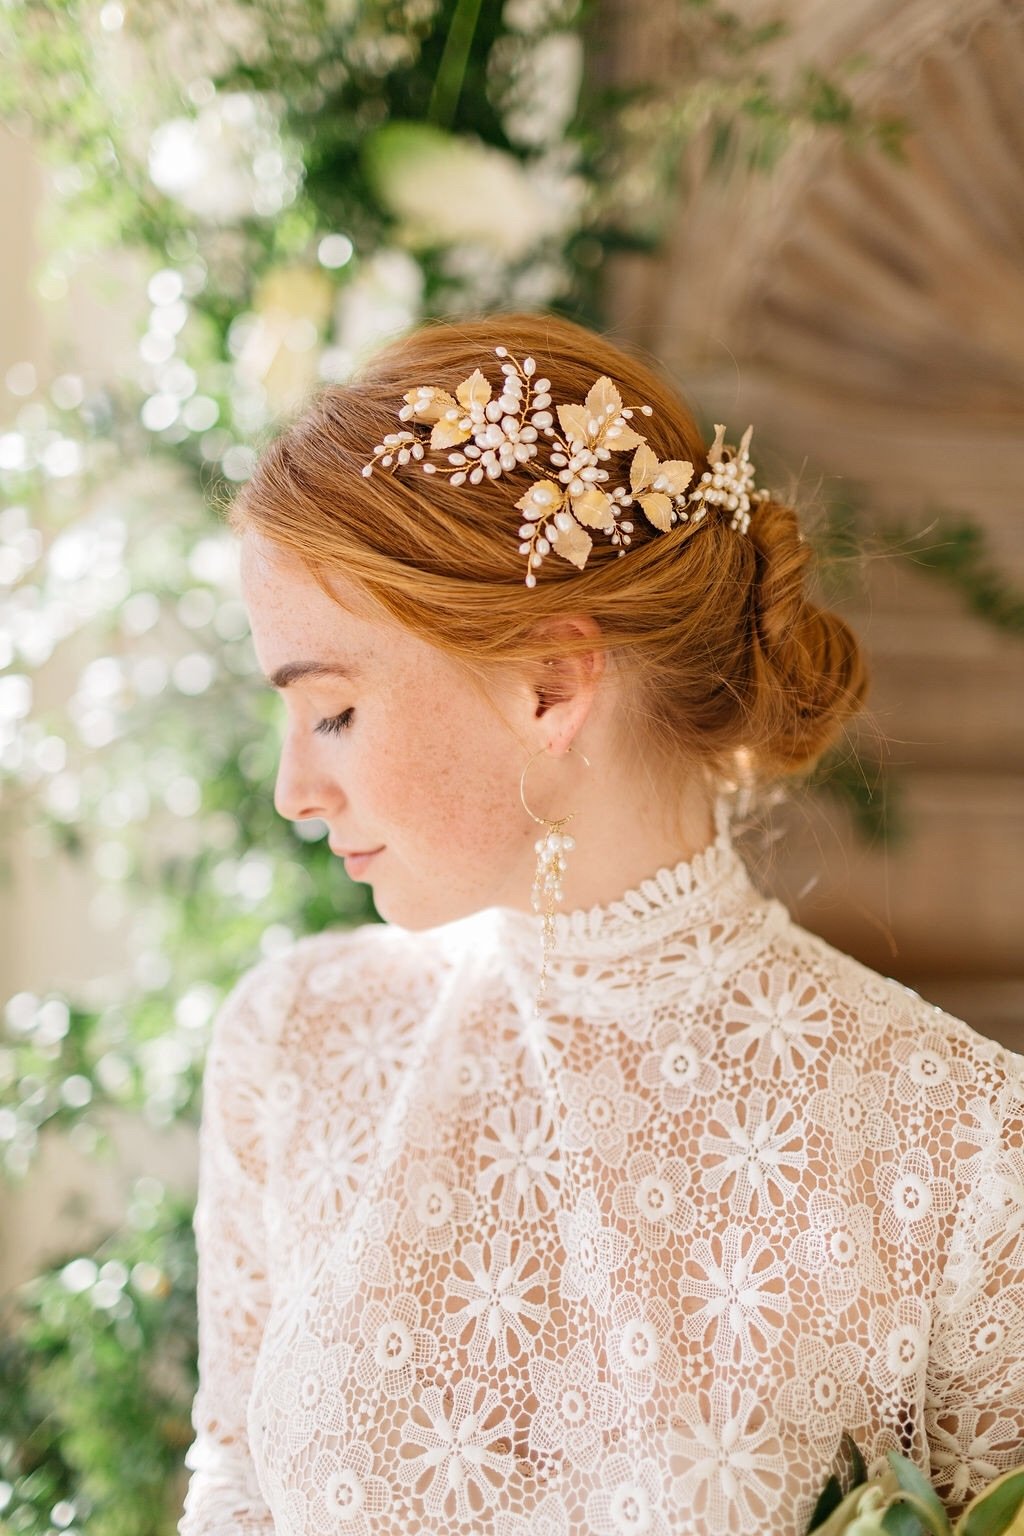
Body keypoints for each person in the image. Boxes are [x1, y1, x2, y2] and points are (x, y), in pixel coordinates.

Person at [177, 311, 1024, 1536]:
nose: (292, 790)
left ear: (550, 685)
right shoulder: (295, 1045)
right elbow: (237, 1489)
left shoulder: (964, 1150)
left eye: (334, 711)